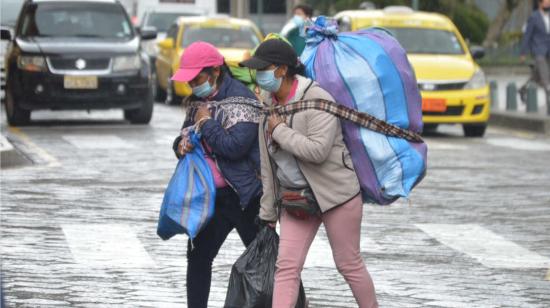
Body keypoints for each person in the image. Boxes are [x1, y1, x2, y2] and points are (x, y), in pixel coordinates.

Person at [240, 39, 379, 308]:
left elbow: (317, 151)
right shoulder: (268, 104)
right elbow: (268, 166)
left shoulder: (317, 99)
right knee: (286, 267)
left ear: (281, 70)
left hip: (336, 196)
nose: (258, 75)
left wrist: (279, 131)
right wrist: (267, 213)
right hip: (295, 198)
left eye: (263, 68)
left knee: (348, 264)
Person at [171, 41, 263, 308]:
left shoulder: (243, 101)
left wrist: (206, 122)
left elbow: (233, 148)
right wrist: (180, 145)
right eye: (189, 81)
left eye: (196, 78)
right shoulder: (199, 102)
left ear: (215, 71)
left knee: (264, 259)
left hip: (245, 196)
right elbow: (184, 135)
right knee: (199, 258)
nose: (192, 85)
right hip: (210, 196)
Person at [520, 0, 550, 107]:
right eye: (546, 2)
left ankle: (523, 89)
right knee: (545, 75)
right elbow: (527, 36)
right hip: (538, 51)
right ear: (540, 3)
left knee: (536, 77)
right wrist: (523, 52)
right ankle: (548, 100)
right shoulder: (534, 17)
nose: (548, 4)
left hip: (548, 51)